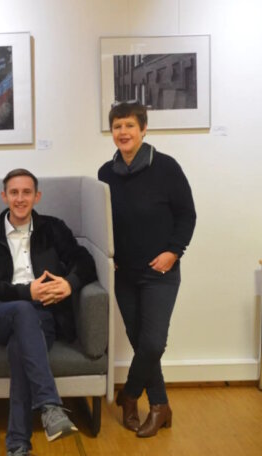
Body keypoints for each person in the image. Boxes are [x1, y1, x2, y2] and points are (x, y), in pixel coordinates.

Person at [0, 169, 96, 456]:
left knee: (20, 347)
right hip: (1, 312)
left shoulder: (54, 229)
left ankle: (17, 451)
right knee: (24, 310)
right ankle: (50, 406)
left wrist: (69, 284)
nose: (21, 198)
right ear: (4, 196)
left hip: (44, 317)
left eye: (27, 192)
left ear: (37, 196)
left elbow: (85, 262)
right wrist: (27, 294)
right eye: (14, 192)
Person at [98, 101, 196, 438]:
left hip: (161, 273)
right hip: (124, 273)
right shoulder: (105, 173)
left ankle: (129, 396)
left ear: (143, 129)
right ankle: (160, 406)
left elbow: (187, 214)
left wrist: (174, 251)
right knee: (141, 342)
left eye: (129, 125)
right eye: (117, 126)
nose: (122, 132)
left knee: (153, 343)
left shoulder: (166, 168)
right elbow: (105, 222)